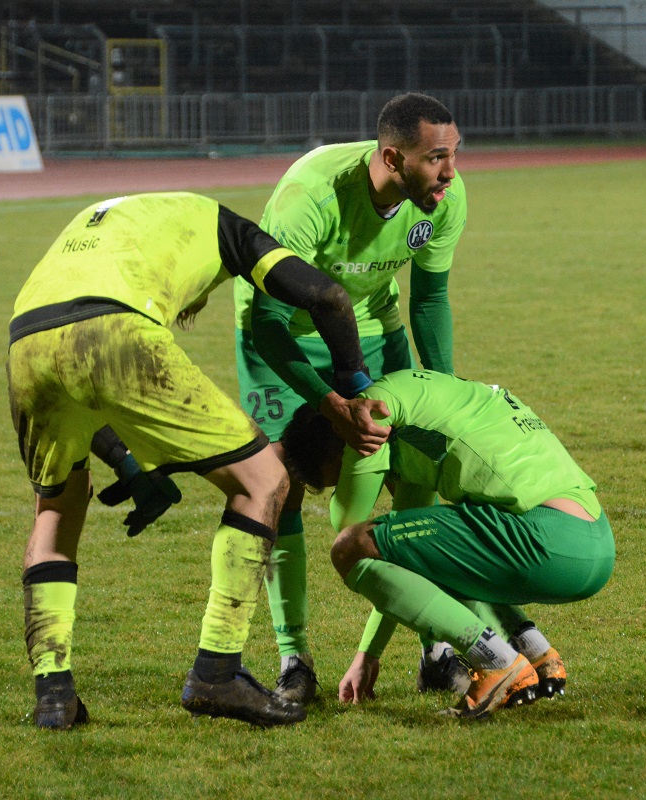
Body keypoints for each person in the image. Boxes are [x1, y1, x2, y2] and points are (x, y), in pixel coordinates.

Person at [6, 191, 389, 730]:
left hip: (26, 342)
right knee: (265, 481)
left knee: (57, 509)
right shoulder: (223, 224)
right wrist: (352, 387)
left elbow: (71, 356)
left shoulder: (111, 219)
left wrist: (127, 461)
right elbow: (327, 297)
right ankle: (217, 670)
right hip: (115, 329)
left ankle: (54, 696)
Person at [233, 93, 470, 702]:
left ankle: (435, 644)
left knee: (419, 473)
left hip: (371, 328)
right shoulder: (309, 199)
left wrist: (441, 394)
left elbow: (428, 299)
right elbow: (267, 322)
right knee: (277, 487)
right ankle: (294, 659)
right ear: (392, 157)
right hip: (282, 337)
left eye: (455, 153)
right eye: (436, 157)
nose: (451, 171)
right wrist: (328, 403)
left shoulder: (441, 201)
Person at [279, 369, 616, 719]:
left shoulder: (372, 414)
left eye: (340, 473)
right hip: (593, 541)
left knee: (348, 546)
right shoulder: (422, 412)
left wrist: (353, 457)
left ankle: (498, 661)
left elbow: (347, 520)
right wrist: (368, 654)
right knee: (429, 551)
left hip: (546, 541)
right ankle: (531, 649)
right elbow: (412, 561)